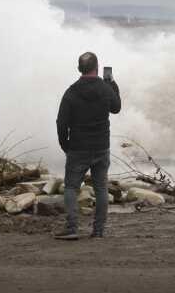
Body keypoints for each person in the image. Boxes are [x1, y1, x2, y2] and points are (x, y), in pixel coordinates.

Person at [54, 51, 121, 240]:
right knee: (101, 188)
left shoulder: (72, 91)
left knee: (71, 188)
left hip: (78, 147)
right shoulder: (105, 88)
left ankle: (72, 228)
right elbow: (116, 108)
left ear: (78, 69)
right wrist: (112, 84)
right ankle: (98, 231)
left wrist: (64, 144)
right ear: (97, 68)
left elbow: (61, 122)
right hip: (101, 146)